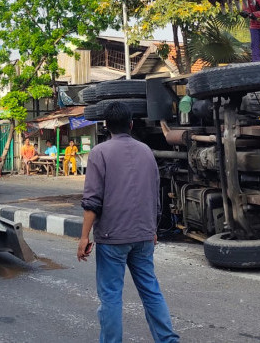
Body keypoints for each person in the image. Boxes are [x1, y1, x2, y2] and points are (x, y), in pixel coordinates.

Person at [77, 102, 179, 343]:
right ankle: (168, 340)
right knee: (151, 291)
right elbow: (155, 193)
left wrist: (84, 238)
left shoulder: (99, 153)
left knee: (111, 297)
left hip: (112, 239)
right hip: (144, 235)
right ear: (131, 124)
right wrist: (153, 229)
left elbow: (92, 201)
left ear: (105, 126)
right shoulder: (146, 151)